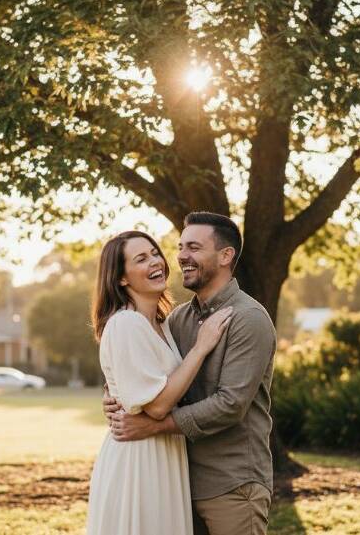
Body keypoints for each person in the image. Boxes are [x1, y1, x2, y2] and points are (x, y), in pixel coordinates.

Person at [104, 212, 277, 535]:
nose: (182, 256)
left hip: (232, 484)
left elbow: (230, 405)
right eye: (181, 247)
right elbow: (150, 375)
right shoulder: (176, 320)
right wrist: (115, 397)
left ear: (225, 256)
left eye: (194, 248)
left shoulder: (248, 318)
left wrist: (153, 426)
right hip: (177, 483)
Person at [86, 230, 233, 535]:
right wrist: (201, 347)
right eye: (141, 259)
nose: (155, 262)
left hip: (165, 452)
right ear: (121, 278)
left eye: (155, 253)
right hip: (138, 458)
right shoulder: (126, 323)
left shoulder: (162, 324)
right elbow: (156, 406)